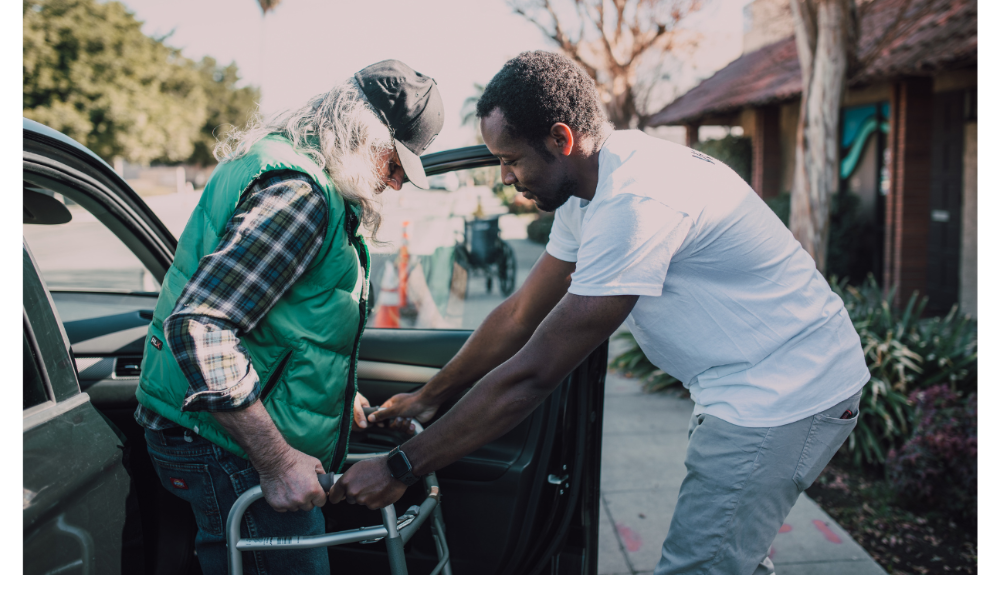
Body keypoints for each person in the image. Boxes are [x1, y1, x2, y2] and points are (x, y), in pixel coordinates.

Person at [332, 51, 870, 575]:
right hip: (746, 385)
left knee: (699, 565)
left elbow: (535, 373)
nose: (503, 177)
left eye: (511, 159)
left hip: (785, 393)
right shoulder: (589, 190)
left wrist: (402, 466)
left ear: (561, 139)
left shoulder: (635, 200)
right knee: (730, 556)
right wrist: (429, 397)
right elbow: (521, 314)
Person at [134, 60, 443, 574]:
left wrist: (335, 395)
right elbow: (202, 327)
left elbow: (280, 318)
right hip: (225, 446)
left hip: (207, 429)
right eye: (394, 163)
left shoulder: (281, 167)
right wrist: (277, 462)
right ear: (362, 134)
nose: (394, 184)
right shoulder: (300, 196)